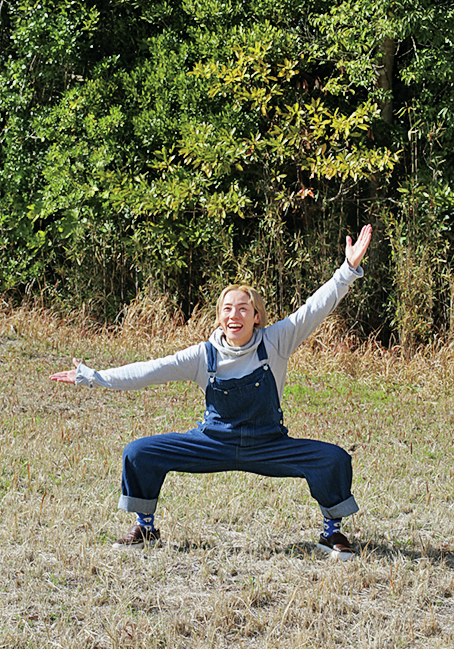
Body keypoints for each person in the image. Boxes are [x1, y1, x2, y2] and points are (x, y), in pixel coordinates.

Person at [50, 224, 372, 560]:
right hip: (212, 443)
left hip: (269, 445)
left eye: (243, 308)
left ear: (257, 317)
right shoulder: (203, 356)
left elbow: (315, 308)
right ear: (219, 318)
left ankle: (331, 534)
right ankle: (145, 527)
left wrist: (347, 271)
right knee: (139, 452)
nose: (235, 315)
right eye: (227, 309)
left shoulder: (278, 341)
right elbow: (148, 371)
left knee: (333, 459)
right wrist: (93, 377)